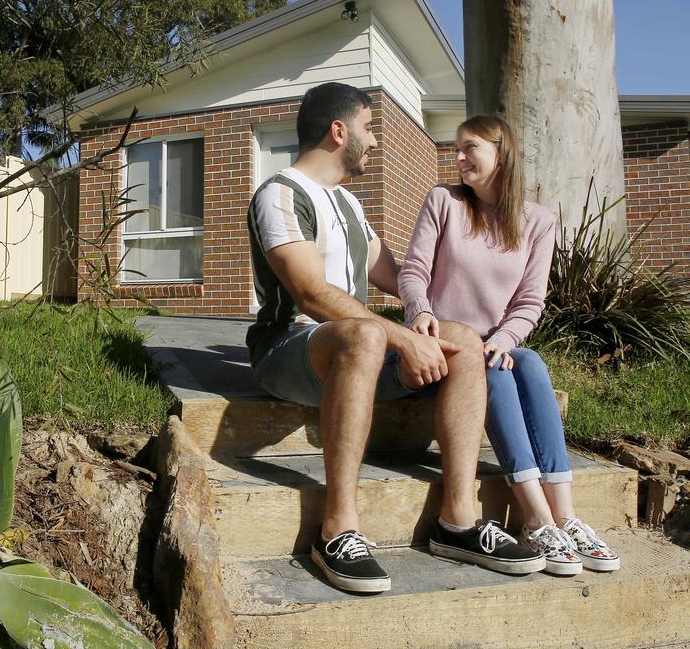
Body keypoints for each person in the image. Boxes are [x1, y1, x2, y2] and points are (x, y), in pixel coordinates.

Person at [246, 83, 545, 594]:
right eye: (368, 128)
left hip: (359, 350)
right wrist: (403, 342)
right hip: (289, 348)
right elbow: (312, 294)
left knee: (462, 339)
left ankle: (458, 522)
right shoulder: (280, 194)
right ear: (338, 131)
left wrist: (438, 317)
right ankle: (337, 529)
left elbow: (402, 274)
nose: (375, 140)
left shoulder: (349, 205)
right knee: (363, 334)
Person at [398, 114, 621, 575]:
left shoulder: (538, 220)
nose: (457, 157)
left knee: (531, 362)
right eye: (455, 148)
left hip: (495, 343)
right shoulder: (444, 201)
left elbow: (529, 300)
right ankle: (536, 517)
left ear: (502, 151)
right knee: (494, 370)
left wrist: (504, 337)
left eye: (469, 147)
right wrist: (420, 311)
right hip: (448, 346)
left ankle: (565, 515)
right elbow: (413, 270)